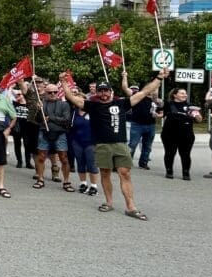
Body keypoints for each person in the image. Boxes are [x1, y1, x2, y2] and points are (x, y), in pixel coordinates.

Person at [61, 70, 167, 221]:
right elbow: (72, 97)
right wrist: (64, 82)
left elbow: (144, 92)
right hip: (102, 145)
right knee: (105, 174)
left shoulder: (122, 103)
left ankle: (131, 207)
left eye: (106, 90)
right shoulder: (92, 105)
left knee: (125, 173)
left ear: (111, 91)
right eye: (100, 91)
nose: (103, 94)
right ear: (96, 93)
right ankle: (109, 202)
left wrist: (159, 78)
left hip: (120, 144)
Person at [27, 82, 74, 192]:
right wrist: (39, 110)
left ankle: (66, 181)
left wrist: (51, 118)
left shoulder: (64, 104)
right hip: (44, 132)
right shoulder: (42, 103)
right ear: (46, 93)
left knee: (64, 158)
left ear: (58, 92)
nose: (52, 94)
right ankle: (40, 179)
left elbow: (66, 120)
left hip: (60, 134)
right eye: (50, 92)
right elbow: (38, 120)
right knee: (41, 157)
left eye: (55, 92)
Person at [160, 87, 201, 180]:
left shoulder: (190, 106)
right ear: (175, 95)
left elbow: (199, 120)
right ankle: (169, 171)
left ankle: (186, 173)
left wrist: (196, 115)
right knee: (170, 153)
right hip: (169, 134)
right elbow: (157, 102)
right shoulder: (168, 104)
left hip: (186, 134)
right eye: (182, 93)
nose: (185, 95)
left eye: (185, 93)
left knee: (185, 154)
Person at [124, 72, 160, 170]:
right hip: (137, 125)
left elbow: (161, 110)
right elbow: (125, 89)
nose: (152, 90)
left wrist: (158, 115)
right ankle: (127, 162)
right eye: (150, 88)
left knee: (147, 146)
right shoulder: (138, 95)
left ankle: (143, 162)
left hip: (151, 125)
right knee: (132, 144)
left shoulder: (155, 100)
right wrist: (124, 77)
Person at [68, 97, 99, 195]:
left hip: (91, 142)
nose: (80, 102)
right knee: (80, 163)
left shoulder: (93, 112)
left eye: (82, 101)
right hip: (77, 142)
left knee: (91, 164)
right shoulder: (74, 113)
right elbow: (70, 126)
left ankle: (93, 186)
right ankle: (83, 184)